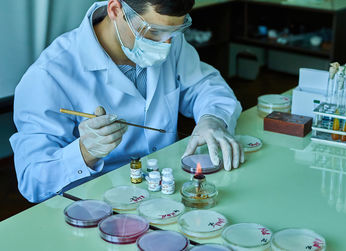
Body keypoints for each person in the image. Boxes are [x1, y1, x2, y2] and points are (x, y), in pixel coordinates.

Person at [10, 0, 243, 203]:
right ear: (115, 9)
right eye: (153, 32)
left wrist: (212, 118)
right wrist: (84, 152)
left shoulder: (170, 40)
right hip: (98, 206)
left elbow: (206, 85)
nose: (165, 45)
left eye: (174, 32)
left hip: (164, 193)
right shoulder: (49, 75)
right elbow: (33, 181)